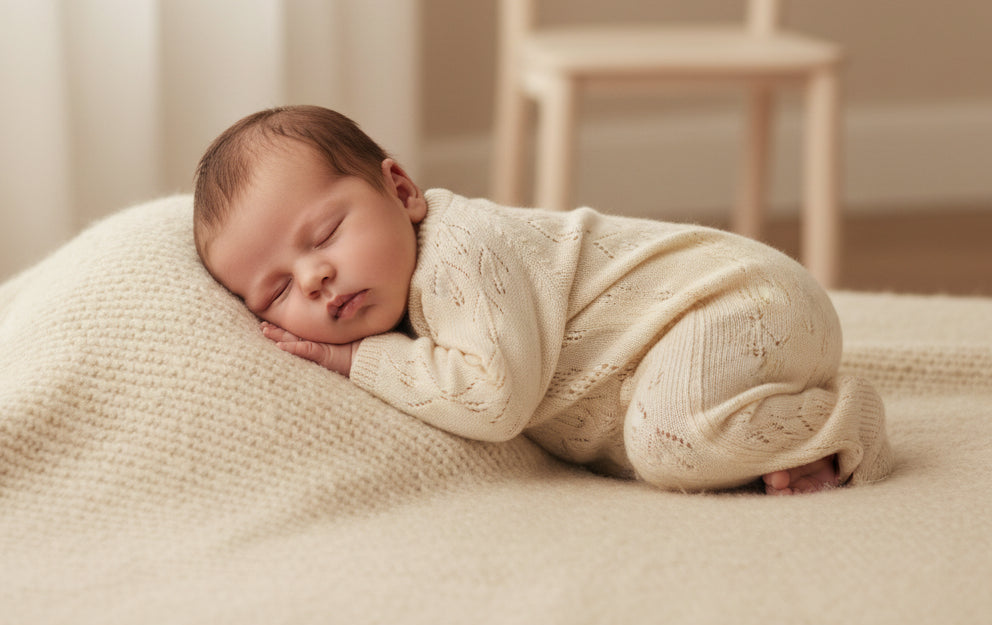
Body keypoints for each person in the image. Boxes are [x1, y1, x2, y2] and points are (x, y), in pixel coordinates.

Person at [194, 105, 893, 495]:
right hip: (707, 330)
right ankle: (782, 436)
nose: (313, 277)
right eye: (278, 289)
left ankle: (844, 420)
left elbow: (493, 402)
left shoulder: (458, 254)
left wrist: (359, 363)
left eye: (325, 234)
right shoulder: (407, 294)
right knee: (666, 439)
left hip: (736, 302)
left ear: (402, 191)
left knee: (668, 444)